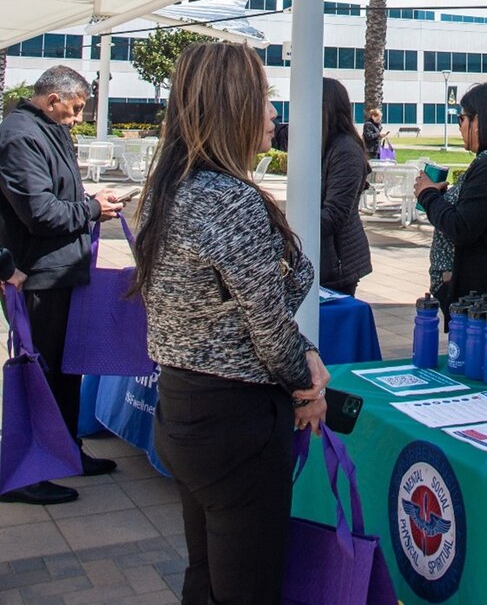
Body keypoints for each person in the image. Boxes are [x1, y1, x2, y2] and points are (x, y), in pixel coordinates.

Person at [132, 43, 329, 605]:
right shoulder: (227, 199)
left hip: (184, 409)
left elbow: (235, 309)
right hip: (234, 420)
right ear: (233, 107)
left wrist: (301, 352)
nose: (272, 113)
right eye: (264, 99)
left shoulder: (170, 190)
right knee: (247, 585)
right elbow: (266, 324)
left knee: (207, 576)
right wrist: (305, 382)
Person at [0, 66, 125, 506]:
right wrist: (90, 209)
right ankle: (24, 471)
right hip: (38, 278)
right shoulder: (19, 136)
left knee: (67, 368)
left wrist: (92, 202)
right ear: (52, 100)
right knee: (41, 374)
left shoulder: (46, 131)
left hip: (61, 273)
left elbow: (60, 196)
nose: (77, 119)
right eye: (73, 110)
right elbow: (41, 213)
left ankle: (64, 449)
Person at [413, 82, 487, 316]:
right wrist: (439, 197)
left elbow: (461, 227)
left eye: (461, 119)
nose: (459, 127)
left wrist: (428, 195)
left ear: (478, 121)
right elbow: (476, 212)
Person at [320, 78, 373, 295]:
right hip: (324, 258)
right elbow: (281, 135)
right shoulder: (318, 140)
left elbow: (336, 213)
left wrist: (287, 225)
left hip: (337, 264)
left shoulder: (346, 150)